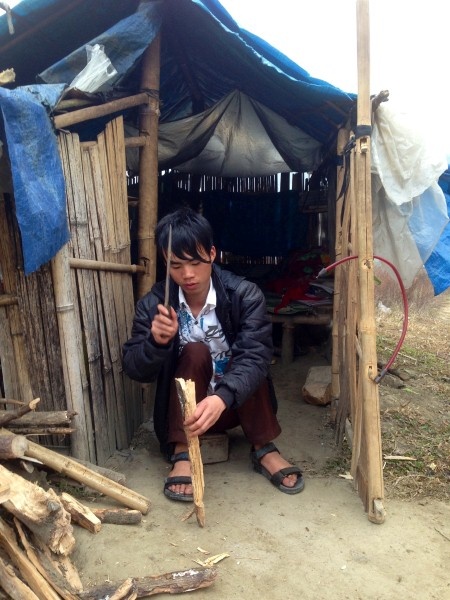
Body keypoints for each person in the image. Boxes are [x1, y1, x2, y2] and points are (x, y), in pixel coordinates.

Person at [122, 207, 304, 501]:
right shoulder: (154, 305)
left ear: (212, 253)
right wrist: (156, 343)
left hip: (234, 406)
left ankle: (263, 447)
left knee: (248, 360)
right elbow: (133, 368)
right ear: (165, 262)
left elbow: (256, 354)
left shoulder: (244, 295)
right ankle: (182, 451)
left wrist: (222, 397)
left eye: (195, 262)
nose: (187, 274)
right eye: (176, 265)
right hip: (184, 413)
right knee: (195, 351)